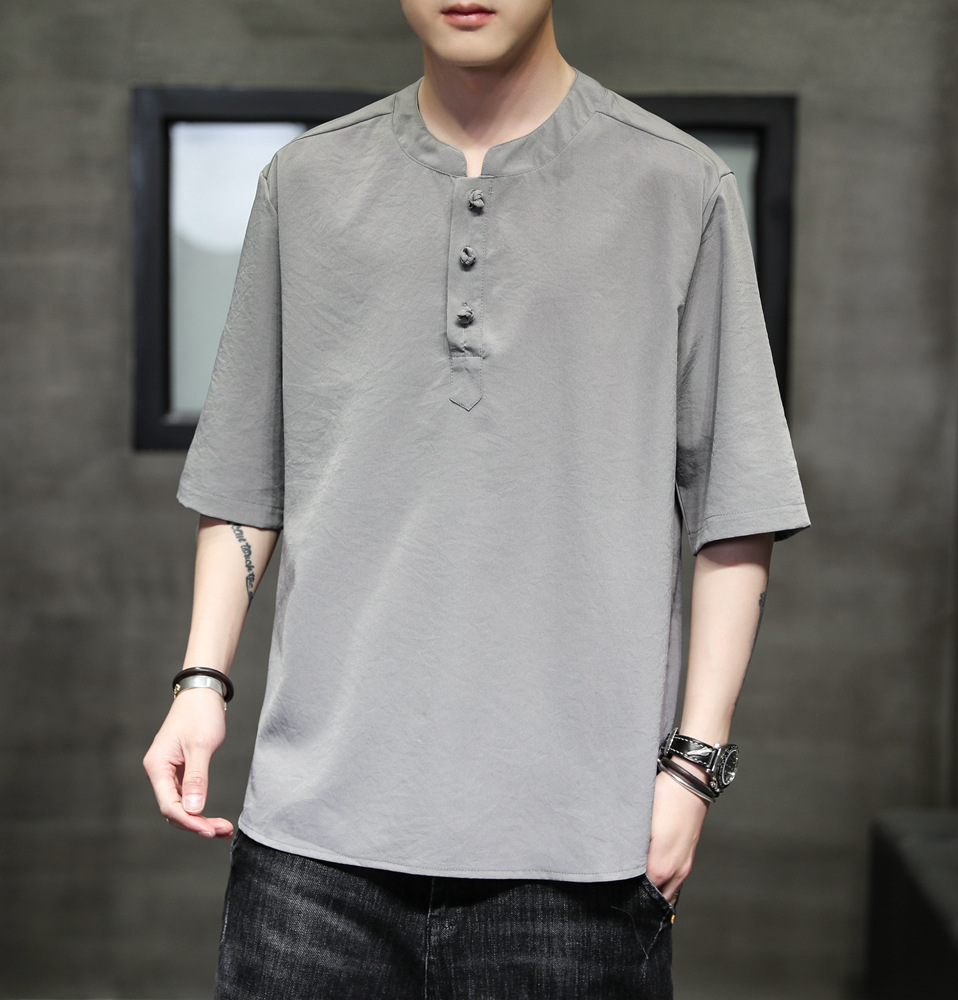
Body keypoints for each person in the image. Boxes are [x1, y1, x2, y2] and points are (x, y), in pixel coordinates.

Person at [143, 1, 809, 996]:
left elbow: (735, 506)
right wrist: (200, 682)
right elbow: (245, 475)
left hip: (578, 856)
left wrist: (693, 769)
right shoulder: (305, 181)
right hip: (311, 846)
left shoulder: (679, 186)